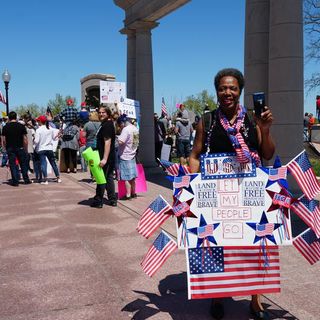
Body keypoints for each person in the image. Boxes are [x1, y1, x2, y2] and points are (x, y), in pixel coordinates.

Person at [190, 68, 275, 320]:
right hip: (217, 194)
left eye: (233, 88)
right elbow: (195, 154)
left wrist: (266, 129)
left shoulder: (252, 119)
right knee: (218, 244)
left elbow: (268, 154)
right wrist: (194, 186)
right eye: (223, 88)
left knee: (253, 243)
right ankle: (218, 295)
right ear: (217, 91)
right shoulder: (207, 120)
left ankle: (255, 300)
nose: (227, 92)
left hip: (249, 193)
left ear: (240, 91)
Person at [90, 106, 117, 208]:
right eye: (100, 112)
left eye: (103, 113)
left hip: (106, 157)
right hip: (107, 157)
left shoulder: (107, 125)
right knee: (109, 177)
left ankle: (98, 200)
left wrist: (104, 159)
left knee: (101, 178)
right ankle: (112, 199)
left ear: (108, 113)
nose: (101, 114)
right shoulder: (106, 124)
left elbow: (107, 142)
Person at [1, 111, 32, 186]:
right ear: (16, 117)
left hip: (10, 147)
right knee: (23, 163)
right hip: (20, 147)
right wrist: (25, 148)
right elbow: (25, 139)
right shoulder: (21, 126)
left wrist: (5, 148)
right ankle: (26, 179)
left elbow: (4, 140)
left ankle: (15, 181)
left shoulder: (5, 127)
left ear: (9, 118)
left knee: (13, 164)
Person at [117, 114, 139, 200]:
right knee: (132, 177)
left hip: (125, 155)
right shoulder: (135, 128)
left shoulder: (126, 130)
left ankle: (128, 194)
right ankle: (134, 193)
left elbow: (121, 142)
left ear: (122, 123)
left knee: (126, 177)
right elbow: (136, 142)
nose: (120, 127)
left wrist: (117, 138)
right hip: (132, 154)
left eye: (120, 125)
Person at [34, 115, 61, 184]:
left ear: (40, 121)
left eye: (38, 121)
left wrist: (33, 142)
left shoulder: (38, 130)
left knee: (43, 163)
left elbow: (36, 141)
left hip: (41, 148)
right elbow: (54, 138)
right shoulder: (50, 129)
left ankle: (45, 179)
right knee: (53, 163)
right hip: (49, 148)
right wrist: (58, 135)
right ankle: (58, 178)